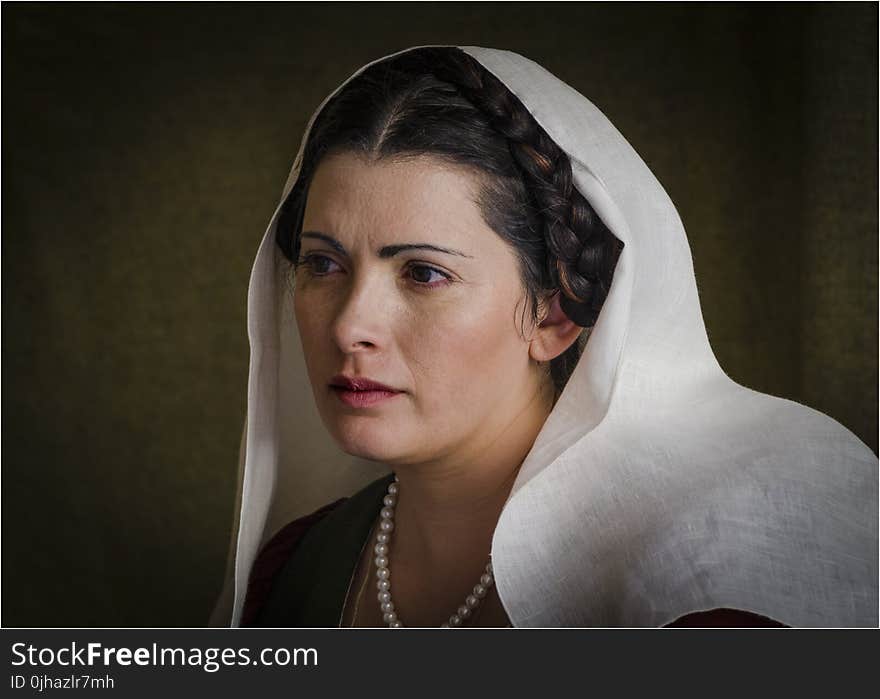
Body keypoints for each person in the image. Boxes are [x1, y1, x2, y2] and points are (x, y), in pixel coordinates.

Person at [211, 46, 877, 628]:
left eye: (423, 273)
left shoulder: (701, 599)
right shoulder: (295, 571)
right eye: (323, 264)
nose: (350, 324)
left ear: (556, 312)